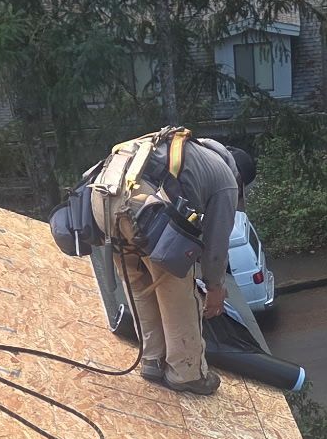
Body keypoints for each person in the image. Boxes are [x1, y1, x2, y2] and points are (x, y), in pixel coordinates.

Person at [101, 133, 254, 396]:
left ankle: (152, 361)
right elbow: (216, 246)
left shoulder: (183, 150)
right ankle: (186, 374)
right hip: (142, 209)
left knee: (140, 283)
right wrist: (214, 288)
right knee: (177, 291)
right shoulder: (226, 179)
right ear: (240, 177)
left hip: (103, 202)